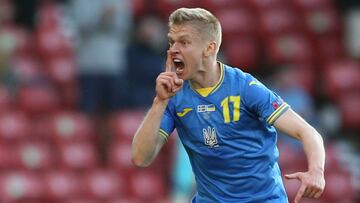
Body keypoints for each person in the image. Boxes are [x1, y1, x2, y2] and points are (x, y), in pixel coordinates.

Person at [132, 8, 325, 203]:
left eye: (184, 42)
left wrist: (316, 171)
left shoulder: (246, 88)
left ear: (209, 48)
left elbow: (308, 132)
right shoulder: (174, 95)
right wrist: (159, 102)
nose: (174, 49)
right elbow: (141, 158)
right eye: (172, 42)